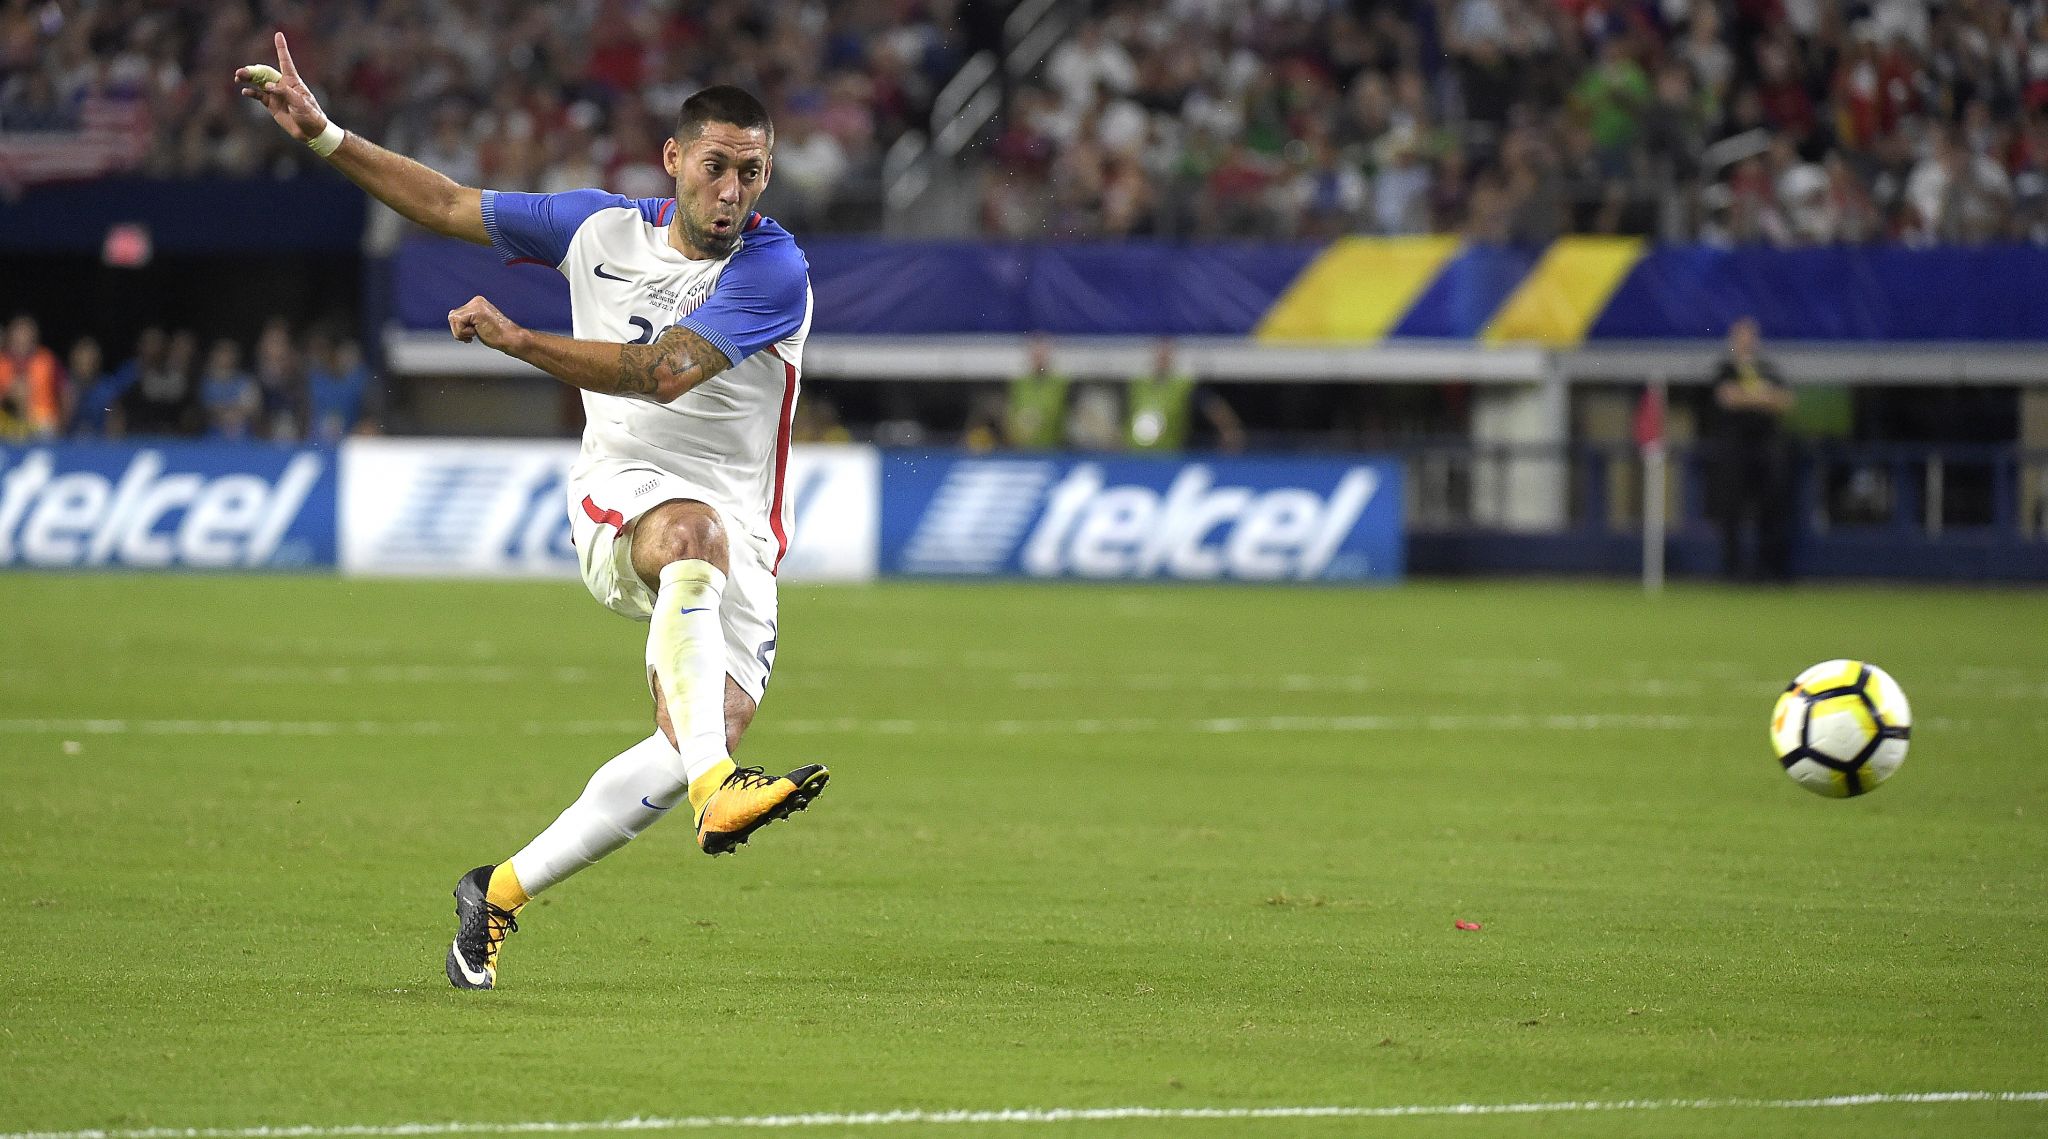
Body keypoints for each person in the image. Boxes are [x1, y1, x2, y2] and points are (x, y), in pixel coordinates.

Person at [238, 33, 829, 991]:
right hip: (625, 499)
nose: (734, 193)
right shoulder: (593, 228)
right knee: (690, 545)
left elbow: (665, 371)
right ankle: (721, 792)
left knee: (698, 727)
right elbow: (444, 202)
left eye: (752, 173)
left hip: (743, 532)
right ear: (675, 161)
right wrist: (325, 136)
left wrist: (519, 339)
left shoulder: (773, 270)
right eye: (717, 167)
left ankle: (496, 892)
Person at [1709, 316, 1796, 581]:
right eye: (1741, 336)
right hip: (1735, 449)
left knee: (1769, 510)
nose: (1746, 341)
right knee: (1731, 511)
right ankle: (1732, 570)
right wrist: (1762, 397)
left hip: (1765, 449)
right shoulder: (1725, 370)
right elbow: (1727, 397)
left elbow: (1786, 401)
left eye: (1750, 336)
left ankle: (1767, 570)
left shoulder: (1768, 369)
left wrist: (1751, 397)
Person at [1125, 338, 1244, 454]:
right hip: (1135, 453)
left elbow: (1211, 405)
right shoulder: (1139, 383)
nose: (1162, 359)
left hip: (1169, 453)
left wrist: (1229, 430)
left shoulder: (1183, 385)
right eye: (1159, 354)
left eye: (1166, 355)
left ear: (1172, 358)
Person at [0, 314, 64, 440]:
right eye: (18, 332)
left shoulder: (47, 360)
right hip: (6, 421)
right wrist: (10, 395)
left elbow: (64, 393)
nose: (22, 337)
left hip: (41, 422)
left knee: (46, 428)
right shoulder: (2, 362)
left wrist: (62, 425)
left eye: (26, 333)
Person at [1004, 334, 1070, 450]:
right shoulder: (1020, 383)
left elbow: (1058, 411)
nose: (1039, 359)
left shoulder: (1060, 383)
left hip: (1053, 446)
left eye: (1042, 355)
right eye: (1036, 355)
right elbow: (1011, 412)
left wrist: (1036, 418)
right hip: (1023, 447)